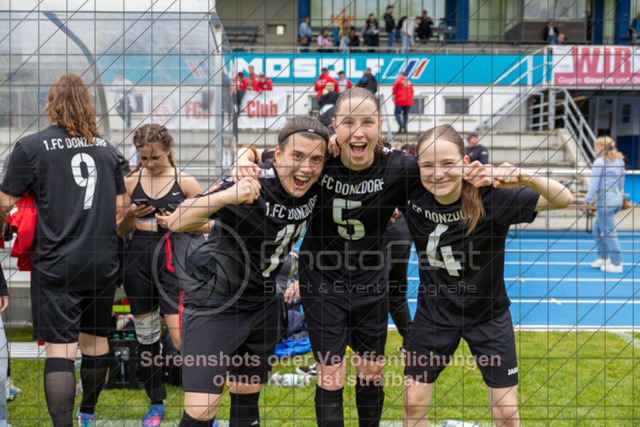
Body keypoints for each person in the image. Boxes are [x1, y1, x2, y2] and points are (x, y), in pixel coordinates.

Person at [236, 87, 419, 426]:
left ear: (380, 125)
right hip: (323, 282)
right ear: (334, 126)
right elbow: (257, 151)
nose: (358, 132)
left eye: (367, 122)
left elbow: (442, 173)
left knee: (371, 372)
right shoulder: (319, 157)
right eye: (348, 122)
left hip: (370, 282)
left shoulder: (399, 166)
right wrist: (241, 159)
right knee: (331, 374)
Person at [157, 117, 329, 427]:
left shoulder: (315, 177)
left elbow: (259, 149)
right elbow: (178, 220)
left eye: (316, 159)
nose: (306, 167)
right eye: (297, 156)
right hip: (216, 305)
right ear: (279, 155)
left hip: (263, 304)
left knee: (247, 400)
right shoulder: (253, 181)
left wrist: (245, 152)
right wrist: (229, 195)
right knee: (201, 411)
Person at [403, 124, 573, 426]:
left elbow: (564, 199)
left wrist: (524, 176)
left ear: (466, 162)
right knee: (413, 403)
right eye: (428, 165)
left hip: (487, 316)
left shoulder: (491, 197)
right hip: (434, 315)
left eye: (447, 163)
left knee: (506, 411)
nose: (437, 173)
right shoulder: (411, 191)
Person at [0, 73, 126, 426]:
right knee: (96, 342)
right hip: (102, 261)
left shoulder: (31, 146)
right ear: (88, 105)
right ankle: (88, 413)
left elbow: (4, 202)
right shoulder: (107, 149)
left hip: (57, 263)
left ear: (50, 104)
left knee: (61, 350)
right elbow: (120, 209)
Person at [116, 124, 203, 425]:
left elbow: (208, 224)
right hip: (138, 258)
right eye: (144, 158)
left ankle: (200, 406)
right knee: (147, 336)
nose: (150, 164)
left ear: (168, 150)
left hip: (173, 257)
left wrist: (179, 221)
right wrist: (130, 214)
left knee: (181, 338)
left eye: (155, 157)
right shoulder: (129, 183)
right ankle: (156, 403)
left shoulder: (185, 182)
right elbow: (119, 229)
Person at [584, 136, 626, 274]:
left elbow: (594, 185)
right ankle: (604, 258)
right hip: (617, 197)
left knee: (608, 232)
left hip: (606, 199)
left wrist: (587, 201)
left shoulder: (599, 162)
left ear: (599, 148)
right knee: (597, 229)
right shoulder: (619, 161)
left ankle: (617, 264)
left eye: (596, 146)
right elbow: (621, 182)